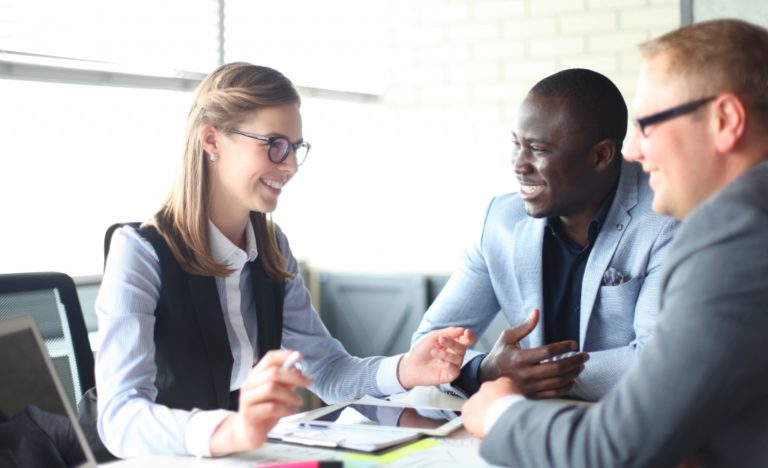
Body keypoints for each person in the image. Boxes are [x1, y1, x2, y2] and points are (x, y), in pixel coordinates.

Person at [94, 62, 475, 459]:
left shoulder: (271, 246)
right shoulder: (139, 252)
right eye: (275, 144)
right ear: (212, 140)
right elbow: (120, 417)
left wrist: (405, 369)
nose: (290, 165)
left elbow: (326, 370)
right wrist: (232, 429)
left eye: (295, 148)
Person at [462, 18, 768, 468]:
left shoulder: (736, 237)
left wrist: (499, 412)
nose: (633, 152)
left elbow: (612, 449)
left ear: (724, 120)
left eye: (650, 125)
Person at [412, 68, 677, 401]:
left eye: (537, 149)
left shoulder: (668, 213)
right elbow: (429, 346)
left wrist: (525, 377)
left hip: (636, 431)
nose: (519, 165)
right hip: (526, 428)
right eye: (516, 145)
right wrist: (487, 371)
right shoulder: (500, 220)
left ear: (601, 155)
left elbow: (659, 363)